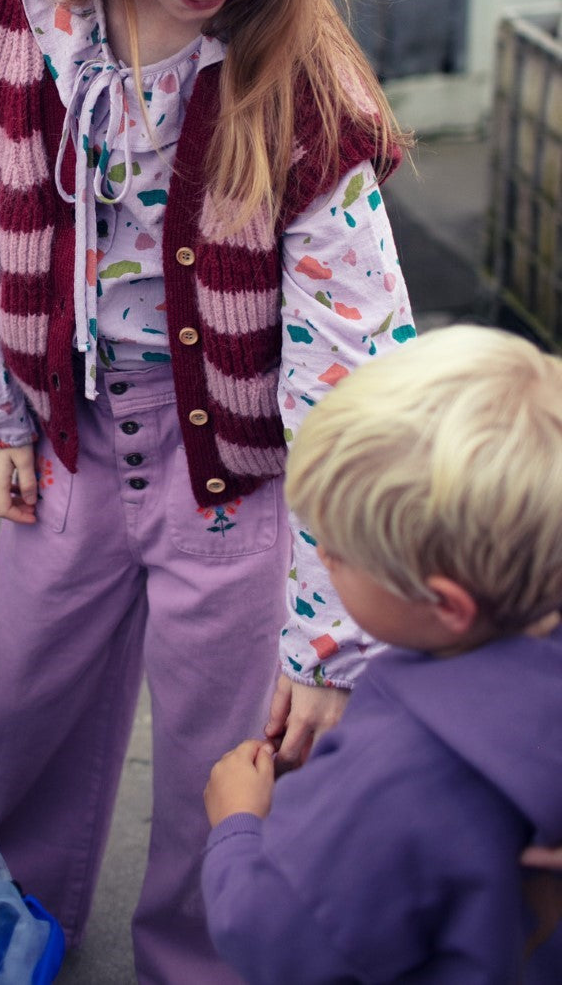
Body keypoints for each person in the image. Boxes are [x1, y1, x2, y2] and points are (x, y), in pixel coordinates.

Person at [0, 0, 415, 985]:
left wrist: (328, 631)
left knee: (229, 744)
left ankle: (201, 957)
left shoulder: (305, 86)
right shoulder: (3, 8)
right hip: (72, 441)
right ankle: (8, 925)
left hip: (239, 483)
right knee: (26, 708)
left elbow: (353, 367)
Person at [202, 325, 562, 984]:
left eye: (337, 552)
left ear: (446, 604)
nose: (322, 560)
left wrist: (238, 826)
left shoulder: (397, 769)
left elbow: (276, 939)